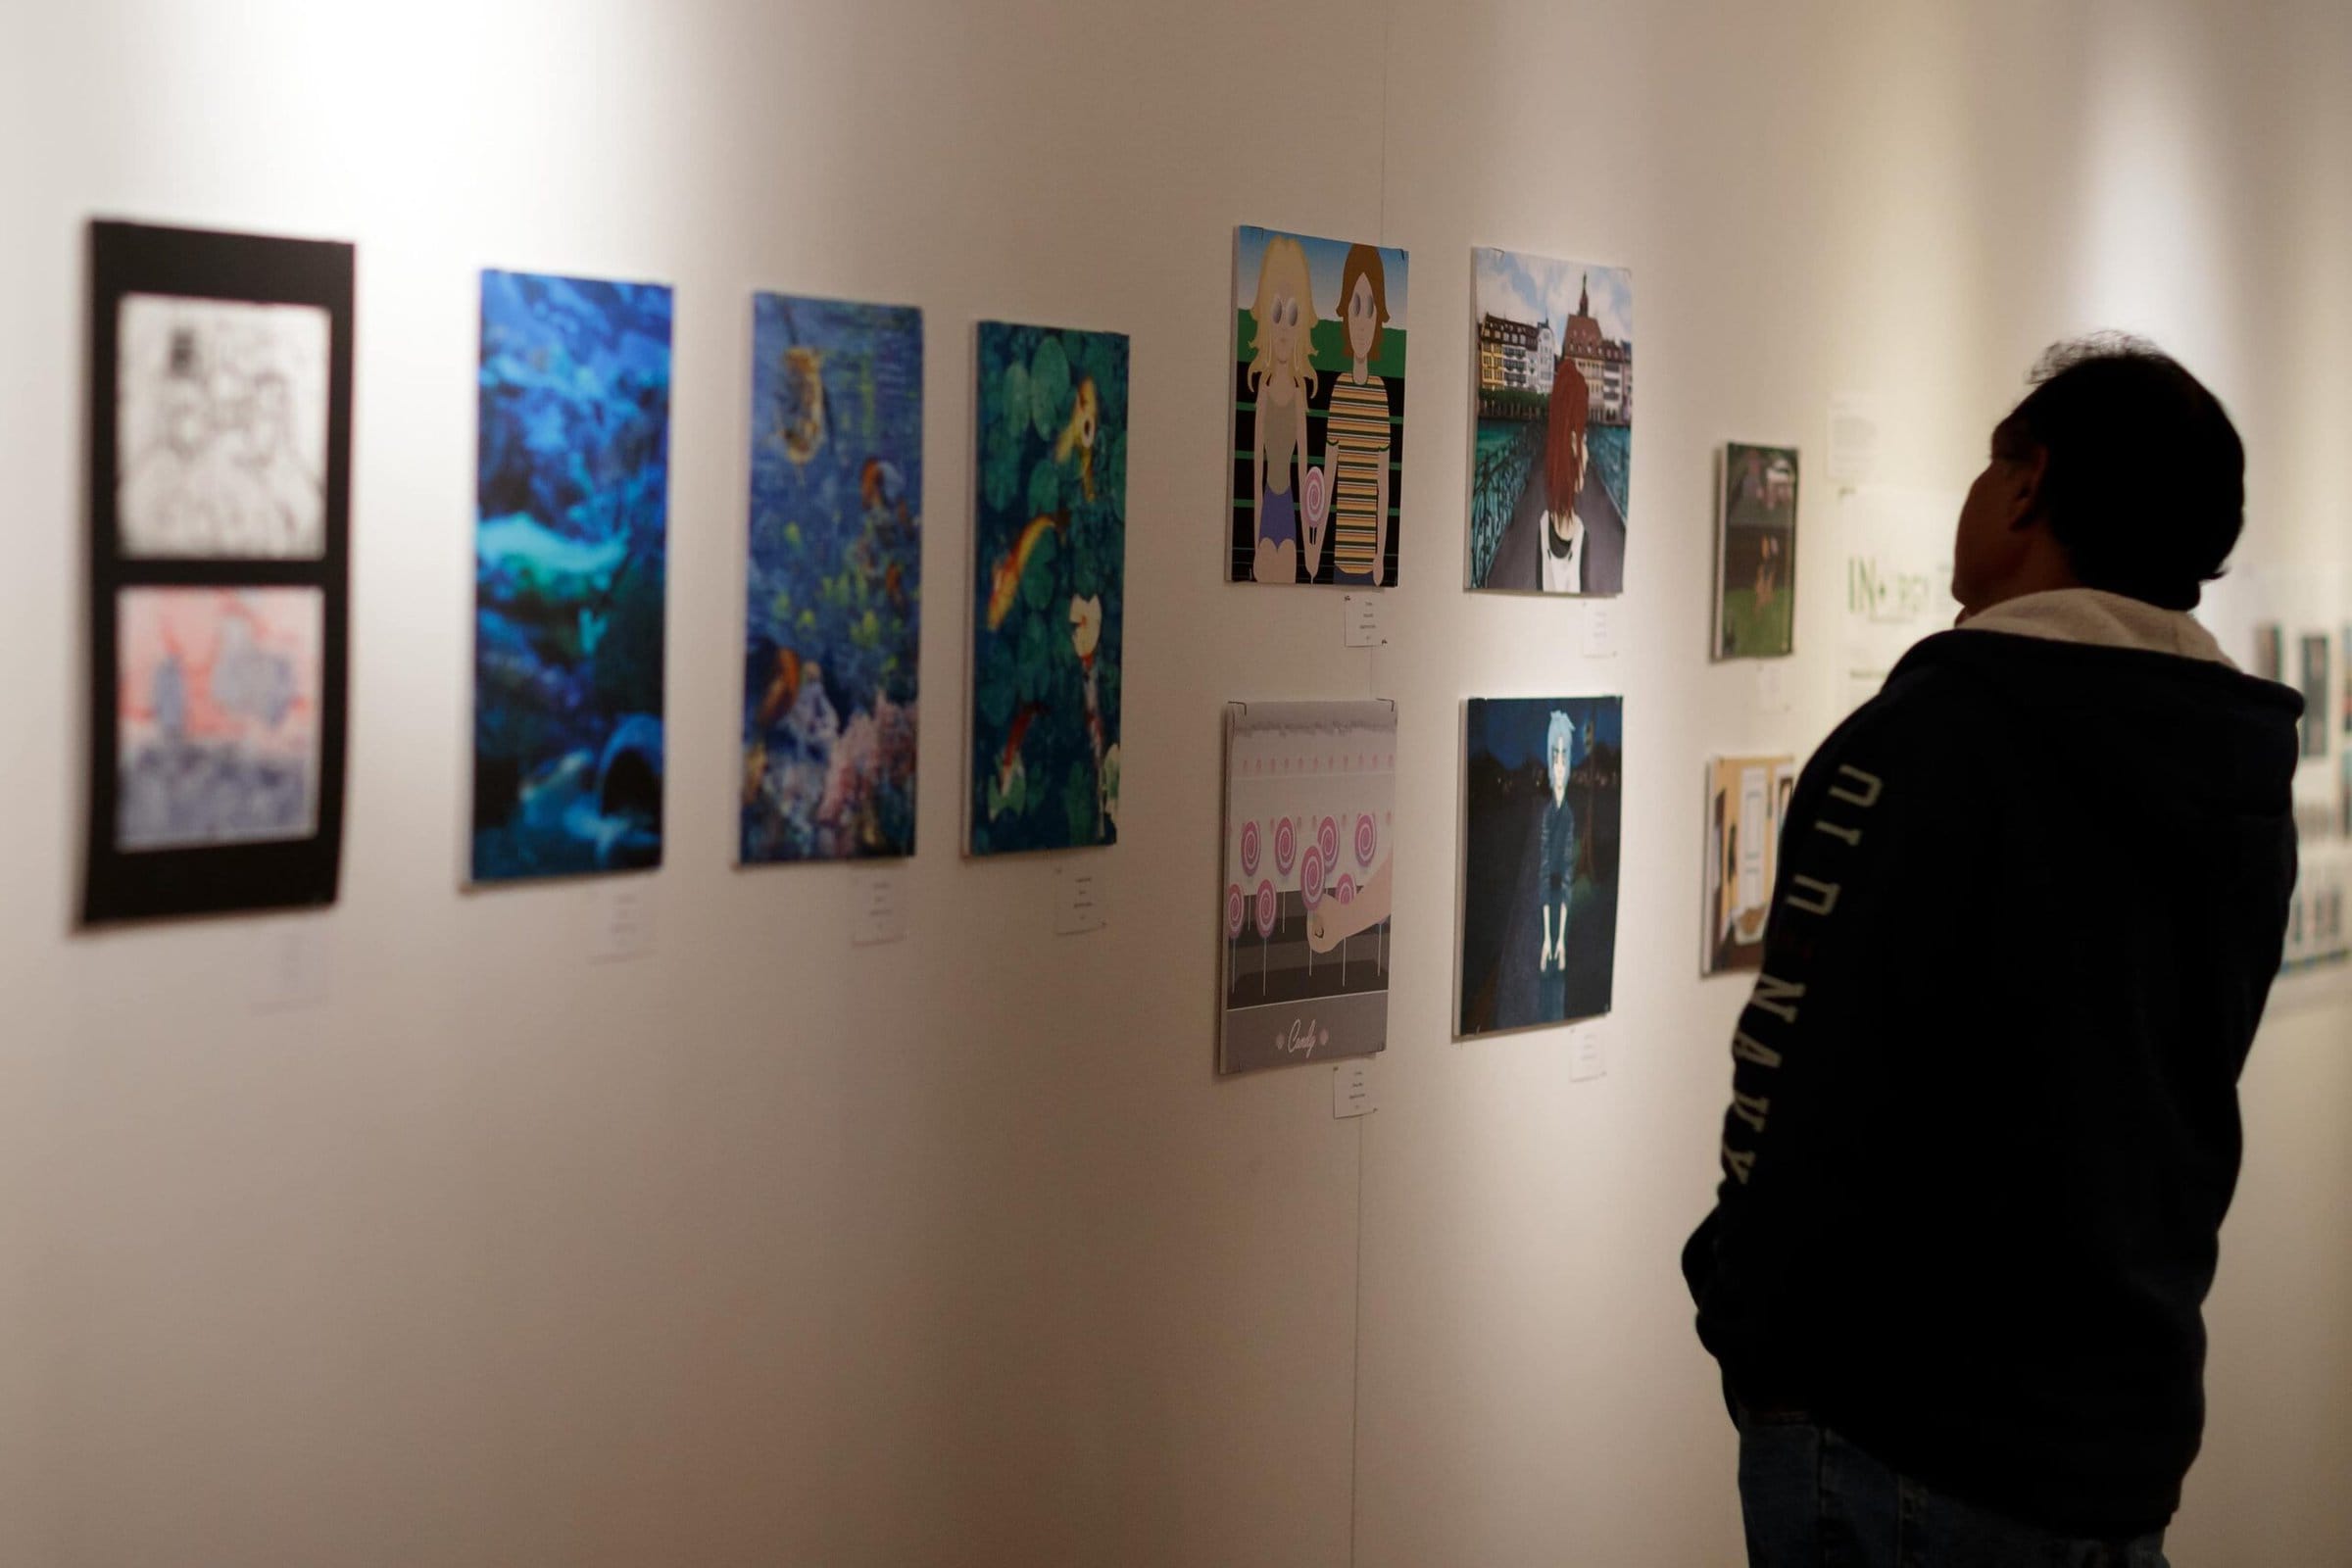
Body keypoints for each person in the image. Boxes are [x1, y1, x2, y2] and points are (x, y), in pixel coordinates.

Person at [1683, 336, 2302, 1568]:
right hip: (2118, 1442)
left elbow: (1792, 1080)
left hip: (1895, 1427)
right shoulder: (2237, 766)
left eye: (1987, 468)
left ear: (2027, 488)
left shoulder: (1928, 738)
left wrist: (1749, 1321)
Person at [1244, 235, 1319, 584]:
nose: (1285, 328)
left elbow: (1305, 472)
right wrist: (1256, 536)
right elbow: (1257, 468)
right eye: (1277, 313)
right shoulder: (1263, 390)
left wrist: (1310, 545)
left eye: (1292, 315)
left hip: (1287, 510)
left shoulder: (1301, 393)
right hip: (1269, 513)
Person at [1326, 244, 1394, 586]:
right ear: (1345, 312)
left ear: (1378, 314)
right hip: (1339, 555)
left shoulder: (1380, 394)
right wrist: (1313, 546)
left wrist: (1380, 557)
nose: (1362, 321)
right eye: (1356, 306)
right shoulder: (1339, 390)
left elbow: (1383, 485)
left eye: (1370, 308)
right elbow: (1329, 476)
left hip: (1369, 559)